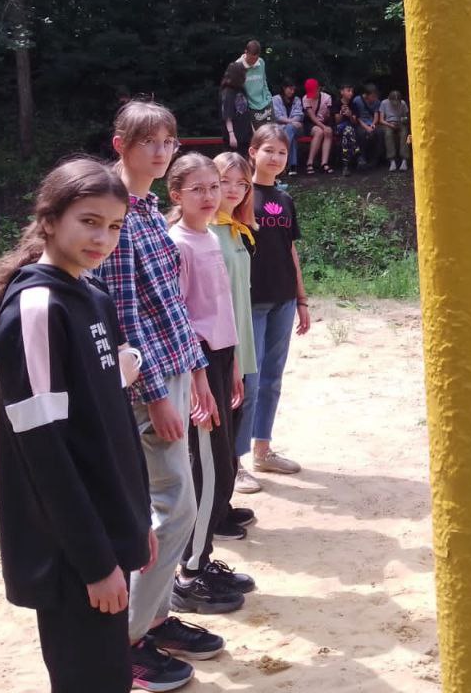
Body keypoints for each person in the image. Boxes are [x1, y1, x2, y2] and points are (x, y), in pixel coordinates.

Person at [0, 158, 154, 693]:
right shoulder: (37, 309)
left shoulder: (93, 297)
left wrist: (137, 517)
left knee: (110, 675)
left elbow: (113, 422)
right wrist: (95, 563)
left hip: (108, 525)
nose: (102, 238)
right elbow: (44, 450)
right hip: (73, 549)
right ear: (49, 220)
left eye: (114, 226)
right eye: (88, 221)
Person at [94, 101, 220, 690]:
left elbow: (170, 303)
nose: (161, 151)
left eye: (169, 141)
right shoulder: (114, 211)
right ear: (120, 143)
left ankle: (157, 618)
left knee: (172, 504)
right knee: (174, 511)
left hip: (175, 371)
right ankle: (129, 641)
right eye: (148, 141)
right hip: (148, 384)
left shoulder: (146, 208)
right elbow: (123, 317)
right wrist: (155, 395)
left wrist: (197, 373)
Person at [164, 153, 256, 619]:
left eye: (213, 187)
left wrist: (234, 360)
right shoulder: (176, 243)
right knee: (208, 467)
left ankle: (201, 560)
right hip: (196, 365)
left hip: (221, 359)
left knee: (222, 461)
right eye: (197, 189)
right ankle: (189, 574)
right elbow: (179, 318)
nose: (209, 196)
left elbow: (223, 308)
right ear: (176, 195)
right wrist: (198, 375)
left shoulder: (211, 238)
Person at [245, 124, 313, 478]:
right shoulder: (239, 194)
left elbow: (290, 250)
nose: (275, 157)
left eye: (282, 152)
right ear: (253, 152)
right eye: (268, 150)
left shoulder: (285, 200)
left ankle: (262, 451)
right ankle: (234, 462)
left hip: (283, 300)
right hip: (250, 301)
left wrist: (301, 299)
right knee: (248, 382)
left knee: (272, 379)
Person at [211, 152, 262, 498]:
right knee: (220, 419)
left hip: (242, 336)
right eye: (224, 181)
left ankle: (226, 495)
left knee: (237, 411)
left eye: (241, 183)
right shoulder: (205, 231)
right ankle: (217, 503)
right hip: (219, 343)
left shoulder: (237, 230)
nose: (233, 190)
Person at [271, 79, 305, 176]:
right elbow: (277, 116)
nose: (292, 92)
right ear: (284, 88)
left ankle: (280, 158)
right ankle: (292, 166)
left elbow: (299, 115)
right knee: (291, 136)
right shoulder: (275, 99)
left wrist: (291, 123)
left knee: (290, 129)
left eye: (293, 89)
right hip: (280, 129)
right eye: (290, 89)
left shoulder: (297, 99)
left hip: (297, 128)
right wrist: (291, 122)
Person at [219, 61, 253, 155]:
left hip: (245, 134)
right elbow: (227, 116)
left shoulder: (242, 89)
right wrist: (231, 134)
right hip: (234, 136)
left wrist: (252, 130)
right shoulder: (227, 92)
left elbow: (247, 111)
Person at [237, 40, 273, 126]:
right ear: (246, 52)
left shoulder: (261, 62)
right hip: (251, 106)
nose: (253, 62)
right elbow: (238, 90)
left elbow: (264, 81)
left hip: (266, 103)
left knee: (272, 130)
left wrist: (268, 97)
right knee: (259, 133)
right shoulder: (238, 66)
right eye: (251, 59)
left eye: (256, 59)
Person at [301, 79, 334, 174]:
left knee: (328, 132)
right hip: (310, 123)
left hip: (324, 121)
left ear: (318, 89)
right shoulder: (305, 98)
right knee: (319, 131)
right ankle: (310, 162)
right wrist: (323, 127)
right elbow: (312, 116)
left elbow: (328, 115)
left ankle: (324, 163)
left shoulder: (327, 98)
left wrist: (327, 116)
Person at [378, 89, 411, 172]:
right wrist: (390, 125)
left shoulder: (403, 103)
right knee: (388, 134)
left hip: (400, 122)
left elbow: (406, 117)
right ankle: (392, 160)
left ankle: (404, 160)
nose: (395, 103)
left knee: (404, 134)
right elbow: (381, 120)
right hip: (388, 123)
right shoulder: (384, 103)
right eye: (393, 101)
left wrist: (403, 120)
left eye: (397, 101)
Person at [352, 83, 384, 168]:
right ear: (366, 95)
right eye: (372, 96)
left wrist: (373, 124)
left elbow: (376, 114)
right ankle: (361, 157)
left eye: (375, 96)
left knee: (380, 132)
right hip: (361, 123)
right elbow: (357, 117)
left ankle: (375, 159)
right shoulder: (357, 100)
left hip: (371, 122)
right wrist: (366, 127)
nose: (374, 98)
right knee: (361, 134)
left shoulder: (376, 102)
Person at [334, 83, 361, 175]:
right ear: (342, 92)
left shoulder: (353, 105)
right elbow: (337, 121)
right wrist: (341, 113)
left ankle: (345, 166)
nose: (351, 93)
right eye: (348, 91)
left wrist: (350, 115)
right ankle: (357, 153)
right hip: (339, 128)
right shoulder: (337, 103)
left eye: (352, 91)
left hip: (350, 129)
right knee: (348, 130)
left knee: (348, 132)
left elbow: (355, 122)